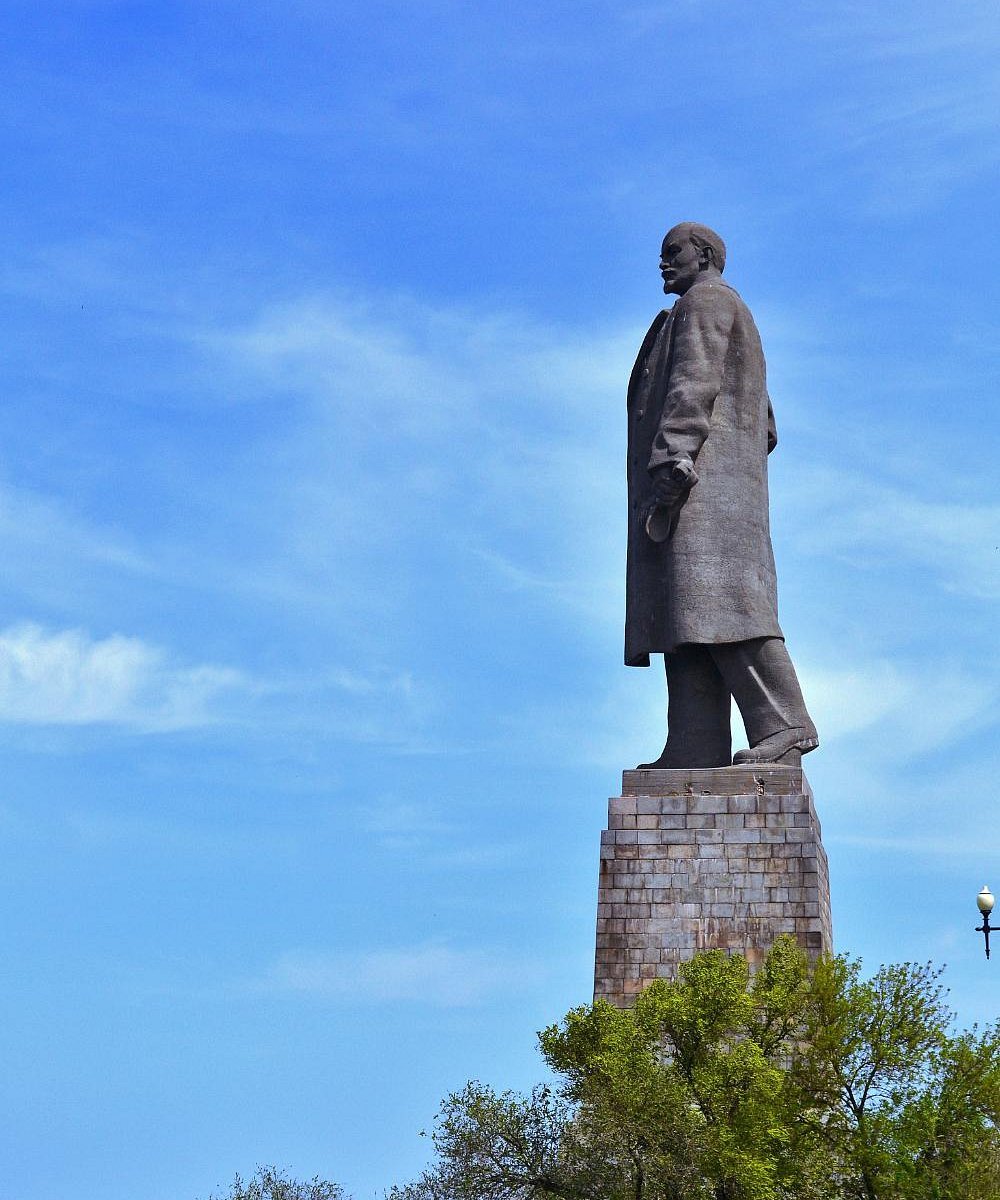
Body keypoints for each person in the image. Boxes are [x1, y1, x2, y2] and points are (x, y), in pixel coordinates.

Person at [625, 222, 818, 768]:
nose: (663, 263)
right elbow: (768, 423)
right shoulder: (732, 312)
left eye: (673, 252)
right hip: (717, 491)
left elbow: (693, 382)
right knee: (686, 621)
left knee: (725, 607)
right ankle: (694, 743)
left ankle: (787, 724)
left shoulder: (704, 304)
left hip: (698, 492)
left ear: (704, 254)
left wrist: (673, 456)